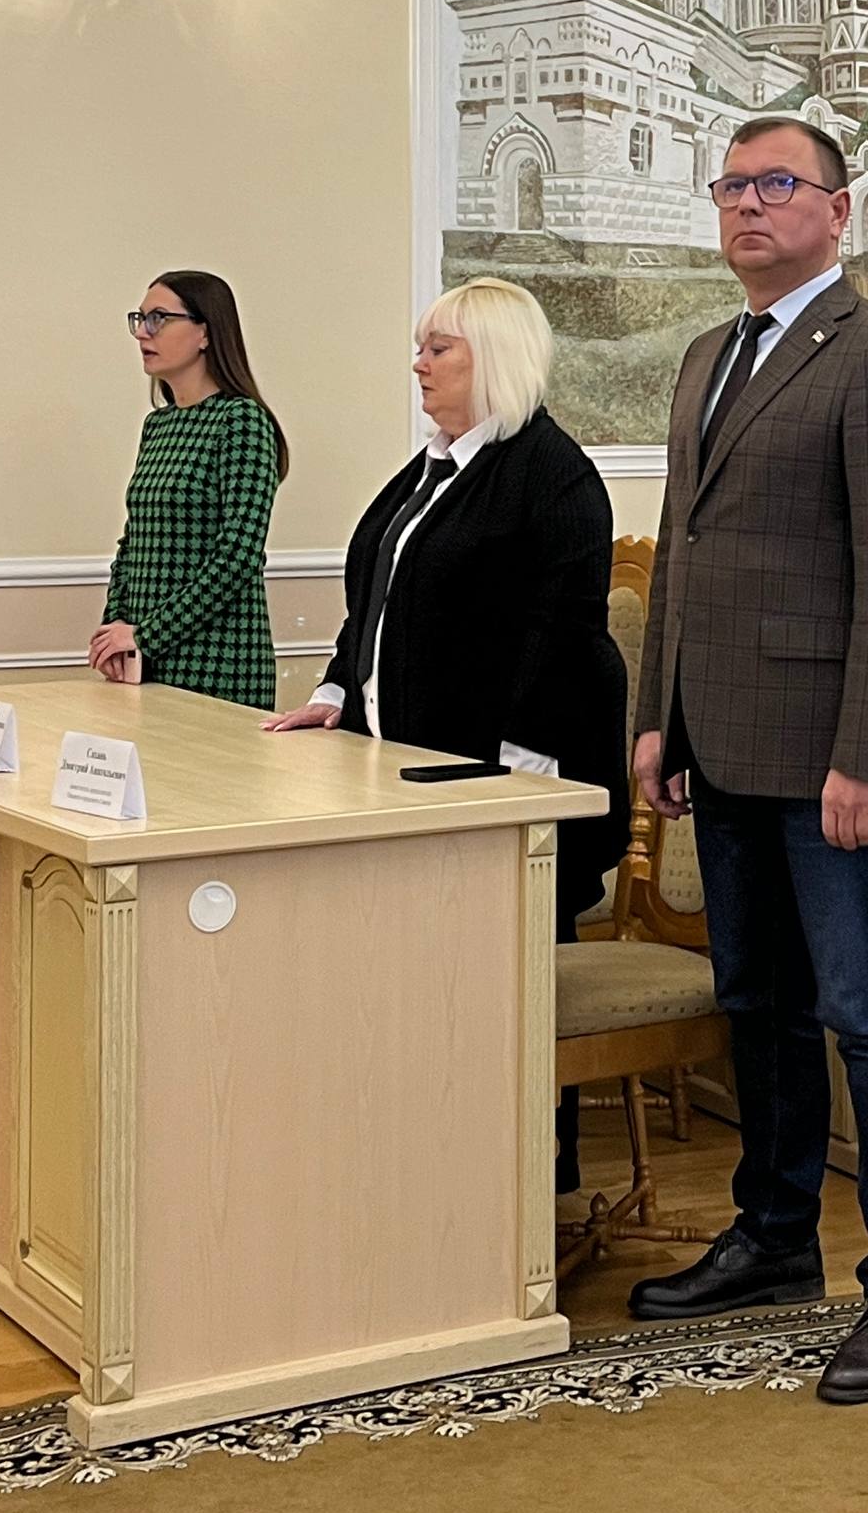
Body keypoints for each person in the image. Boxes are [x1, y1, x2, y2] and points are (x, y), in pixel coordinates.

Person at [627, 117, 868, 1406]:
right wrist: (658, 717)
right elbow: (683, 546)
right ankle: (773, 1238)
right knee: (758, 1007)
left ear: (838, 209)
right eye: (733, 186)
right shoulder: (711, 353)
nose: (748, 206)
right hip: (723, 743)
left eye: (777, 184)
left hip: (834, 761)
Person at [268, 276, 629, 1193]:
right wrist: (336, 690)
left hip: (501, 785)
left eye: (440, 349)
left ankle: (524, 1184)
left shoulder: (553, 476)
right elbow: (375, 599)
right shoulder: (435, 467)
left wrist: (519, 780)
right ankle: (426, 1170)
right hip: (408, 771)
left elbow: (564, 640)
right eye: (421, 348)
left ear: (494, 358)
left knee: (502, 992)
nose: (419, 365)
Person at [90, 271, 287, 707]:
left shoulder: (241, 421)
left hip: (217, 663)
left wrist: (145, 635)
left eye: (159, 318)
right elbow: (133, 542)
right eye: (140, 319)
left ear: (205, 333)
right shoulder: (157, 425)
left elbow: (238, 557)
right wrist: (115, 629)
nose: (142, 332)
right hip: (144, 658)